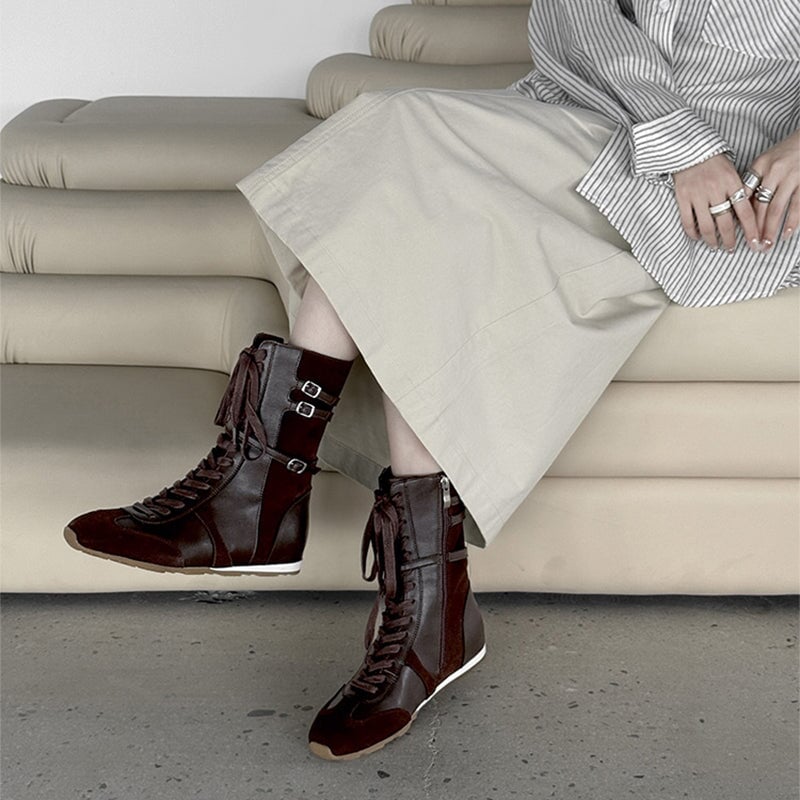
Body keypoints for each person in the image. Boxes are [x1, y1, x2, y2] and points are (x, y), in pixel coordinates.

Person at [64, 0, 799, 761]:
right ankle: (410, 598)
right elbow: (574, 12)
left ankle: (269, 500)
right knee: (395, 151)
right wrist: (674, 135)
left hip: (730, 193)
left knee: (406, 165)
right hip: (591, 123)